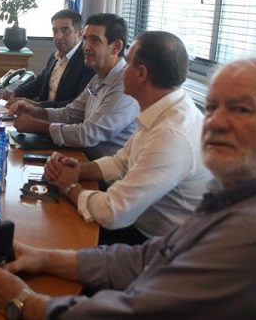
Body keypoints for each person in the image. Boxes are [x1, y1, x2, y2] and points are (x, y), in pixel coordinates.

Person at [0, 55, 256, 319]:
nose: (215, 122)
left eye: (242, 109)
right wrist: (44, 258)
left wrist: (26, 304)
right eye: (212, 107)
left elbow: (138, 312)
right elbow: (146, 258)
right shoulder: (245, 192)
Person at [44, 31, 212, 244]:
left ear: (141, 74)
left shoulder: (171, 135)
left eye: (128, 63)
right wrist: (78, 169)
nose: (122, 68)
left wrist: (69, 187)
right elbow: (121, 162)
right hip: (137, 225)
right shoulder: (165, 108)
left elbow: (113, 213)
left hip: (159, 245)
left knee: (55, 233)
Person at [10, 13, 139, 159]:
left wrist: (37, 126)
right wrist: (35, 111)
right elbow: (71, 114)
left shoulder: (124, 85)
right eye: (85, 39)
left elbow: (88, 134)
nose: (85, 47)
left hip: (102, 168)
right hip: (83, 157)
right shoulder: (99, 77)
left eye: (95, 40)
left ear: (116, 47)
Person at [0, 9, 94, 108]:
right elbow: (39, 83)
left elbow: (79, 104)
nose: (58, 36)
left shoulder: (87, 62)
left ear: (80, 34)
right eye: (55, 31)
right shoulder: (54, 56)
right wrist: (14, 93)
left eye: (65, 31)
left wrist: (37, 105)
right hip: (41, 113)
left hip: (61, 116)